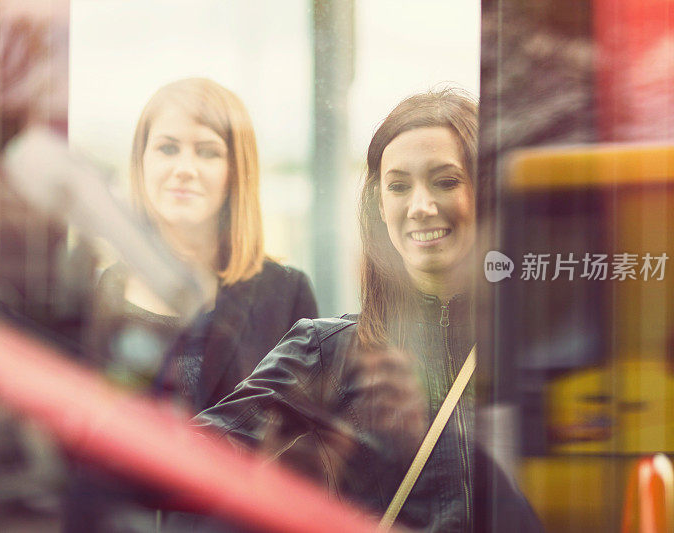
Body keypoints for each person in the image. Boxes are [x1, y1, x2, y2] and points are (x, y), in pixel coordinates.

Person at [192, 88, 542, 532]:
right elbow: (189, 458)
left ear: (487, 191)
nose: (420, 206)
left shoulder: (536, 347)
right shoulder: (326, 350)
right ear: (380, 206)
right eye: (398, 186)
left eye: (446, 181)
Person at [64, 78, 318, 532]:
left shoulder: (286, 295)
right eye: (167, 148)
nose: (185, 167)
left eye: (207, 151)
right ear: (140, 163)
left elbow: (306, 460)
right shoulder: (94, 297)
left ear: (235, 171)